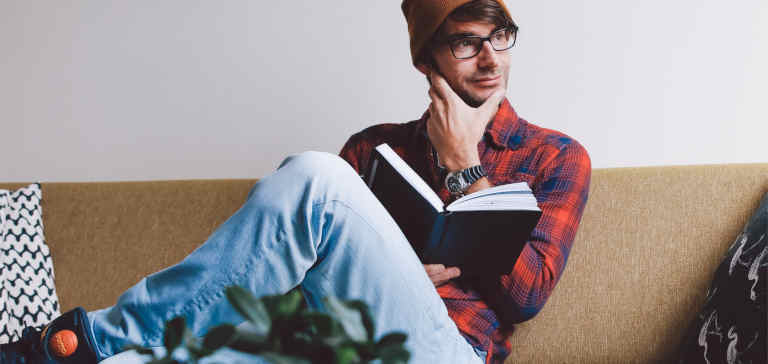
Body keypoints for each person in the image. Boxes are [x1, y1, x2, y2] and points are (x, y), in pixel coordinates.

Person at [0, 1, 591, 363]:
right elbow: (279, 286)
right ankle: (85, 354)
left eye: (500, 37)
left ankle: (82, 339)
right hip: (327, 344)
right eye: (466, 42)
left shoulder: (556, 157)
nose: (490, 59)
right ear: (425, 62)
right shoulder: (374, 148)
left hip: (445, 352)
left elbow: (529, 294)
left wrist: (466, 167)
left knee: (314, 177)